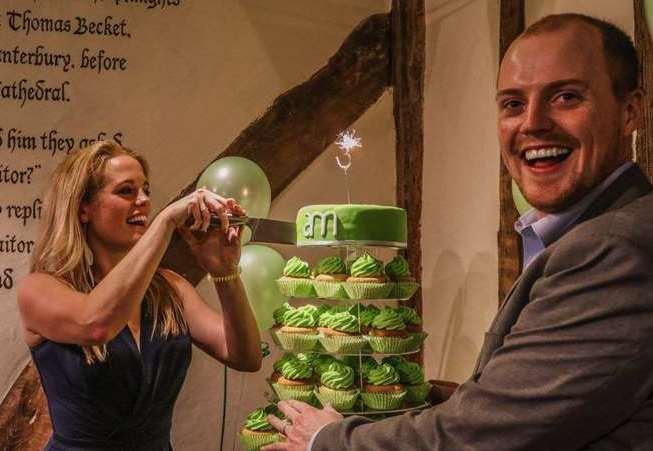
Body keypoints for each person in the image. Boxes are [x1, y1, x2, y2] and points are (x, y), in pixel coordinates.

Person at [263, 13, 653, 451]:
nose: (533, 123)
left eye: (565, 96)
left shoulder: (615, 249)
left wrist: (327, 439)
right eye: (512, 103)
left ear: (630, 111)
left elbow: (485, 432)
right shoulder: (587, 234)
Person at [17, 141, 262, 450]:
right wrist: (166, 221)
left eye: (146, 190)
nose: (144, 200)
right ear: (83, 208)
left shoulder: (170, 288)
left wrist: (224, 270)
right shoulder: (40, 288)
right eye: (126, 191)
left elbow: (245, 356)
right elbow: (95, 325)